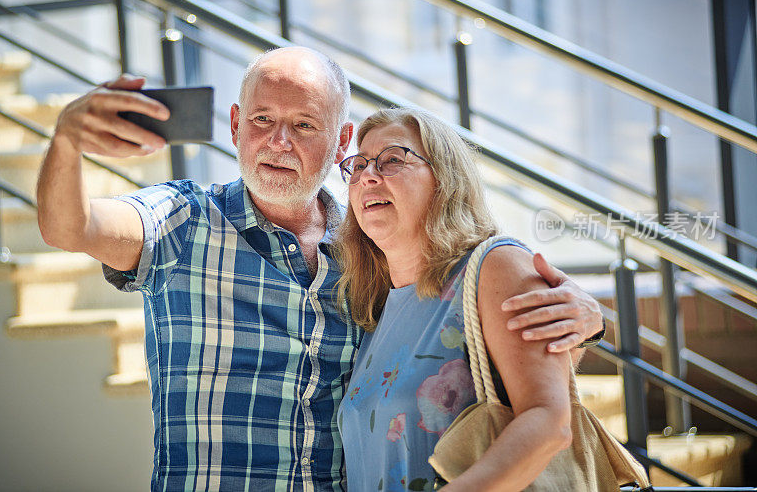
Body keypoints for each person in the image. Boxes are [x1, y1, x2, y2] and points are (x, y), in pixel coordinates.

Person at [37, 47, 603, 491]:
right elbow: (71, 227)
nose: (278, 142)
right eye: (262, 119)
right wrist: (67, 140)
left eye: (305, 125)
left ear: (339, 142)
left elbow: (485, 342)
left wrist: (586, 313)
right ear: (235, 124)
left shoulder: (371, 254)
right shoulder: (181, 219)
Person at [336, 107, 584, 491]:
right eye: (359, 165)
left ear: (444, 179)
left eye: (392, 161)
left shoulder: (496, 266)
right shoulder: (376, 307)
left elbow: (548, 422)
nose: (368, 176)